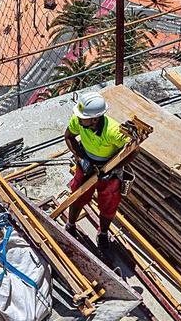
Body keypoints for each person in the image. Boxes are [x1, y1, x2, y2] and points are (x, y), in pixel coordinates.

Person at [63, 92, 130, 252]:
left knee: (109, 203)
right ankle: (70, 224)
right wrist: (81, 157)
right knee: (77, 195)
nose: (78, 119)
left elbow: (133, 151)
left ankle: (103, 233)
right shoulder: (78, 121)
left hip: (109, 169)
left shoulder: (114, 131)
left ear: (95, 119)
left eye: (83, 117)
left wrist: (113, 168)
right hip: (86, 163)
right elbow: (68, 136)